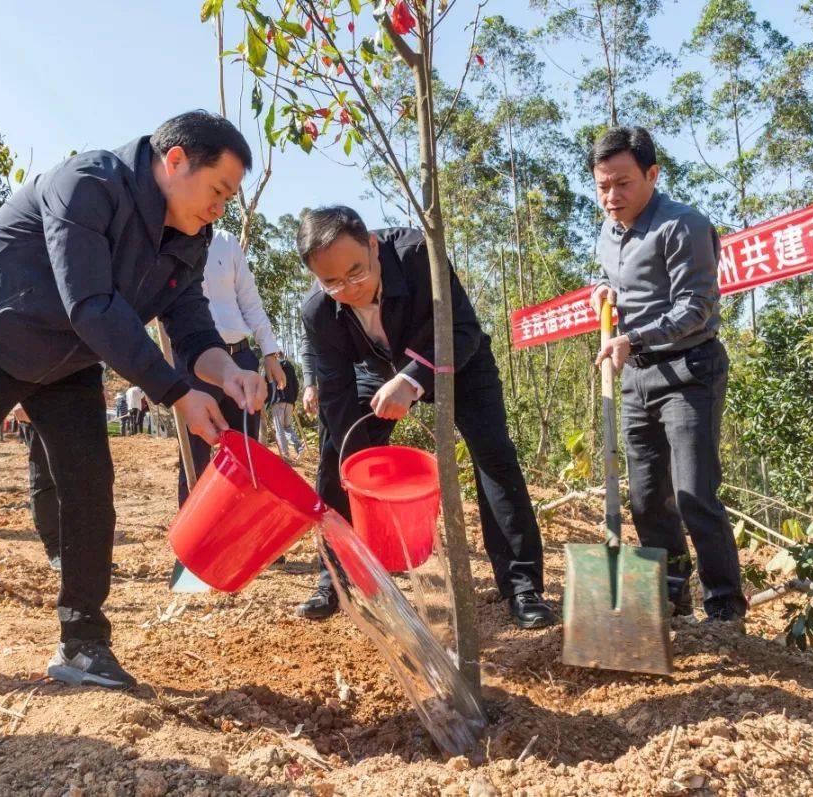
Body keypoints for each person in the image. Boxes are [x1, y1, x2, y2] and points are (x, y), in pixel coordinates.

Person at [0, 111, 267, 693]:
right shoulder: (89, 183)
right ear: (175, 162)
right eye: (217, 190)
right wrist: (173, 393)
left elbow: (190, 328)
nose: (220, 207)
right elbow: (90, 303)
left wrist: (226, 371)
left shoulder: (193, 237)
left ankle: (83, 642)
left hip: (68, 361)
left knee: (89, 487)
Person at [294, 206, 556, 629]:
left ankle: (522, 585)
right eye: (333, 283)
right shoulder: (318, 313)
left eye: (357, 273)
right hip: (376, 374)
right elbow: (338, 400)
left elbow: (464, 329)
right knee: (336, 456)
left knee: (494, 457)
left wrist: (413, 378)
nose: (349, 288)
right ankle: (335, 577)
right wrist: (355, 468)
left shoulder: (418, 254)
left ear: (372, 245)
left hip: (458, 360)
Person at [587, 125, 744, 623]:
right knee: (648, 499)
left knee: (694, 493)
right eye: (602, 185)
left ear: (652, 174)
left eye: (623, 183)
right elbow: (618, 283)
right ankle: (670, 603)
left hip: (688, 372)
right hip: (635, 378)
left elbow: (695, 308)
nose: (612, 197)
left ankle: (724, 609)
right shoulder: (609, 234)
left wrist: (633, 337)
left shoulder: (684, 225)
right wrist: (604, 293)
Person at [173, 228, 285, 506]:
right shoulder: (165, 240)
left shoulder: (226, 241)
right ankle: (194, 544)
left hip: (241, 360)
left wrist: (270, 352)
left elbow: (249, 299)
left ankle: (250, 535)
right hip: (193, 366)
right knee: (193, 459)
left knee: (247, 457)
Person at [11, 404, 61, 571]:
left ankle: (88, 552)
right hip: (40, 414)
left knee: (84, 482)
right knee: (45, 480)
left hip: (76, 415)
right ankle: (56, 550)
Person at [267, 356, 302, 458]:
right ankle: (299, 447)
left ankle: (285, 454)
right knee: (287, 427)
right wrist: (293, 401)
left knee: (279, 429)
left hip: (278, 402)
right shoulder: (291, 368)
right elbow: (296, 385)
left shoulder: (272, 366)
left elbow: (267, 384)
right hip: (290, 403)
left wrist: (268, 401)